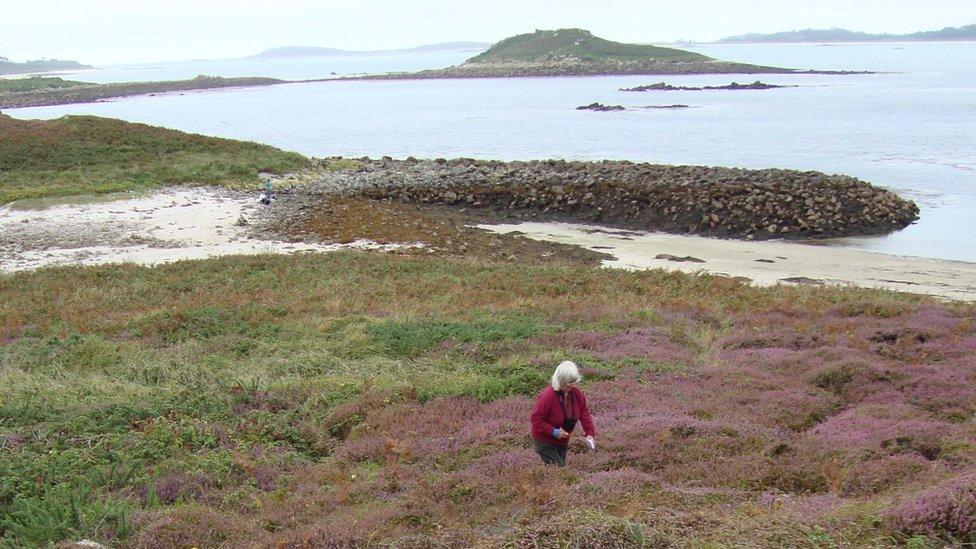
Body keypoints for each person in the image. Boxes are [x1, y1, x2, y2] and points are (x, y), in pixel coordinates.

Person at [530, 360, 596, 466]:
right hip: (545, 441)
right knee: (559, 469)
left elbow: (584, 414)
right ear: (560, 380)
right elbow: (536, 420)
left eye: (573, 382)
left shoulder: (576, 394)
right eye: (567, 383)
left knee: (559, 470)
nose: (570, 386)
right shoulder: (547, 397)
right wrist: (554, 432)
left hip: (563, 441)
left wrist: (589, 433)